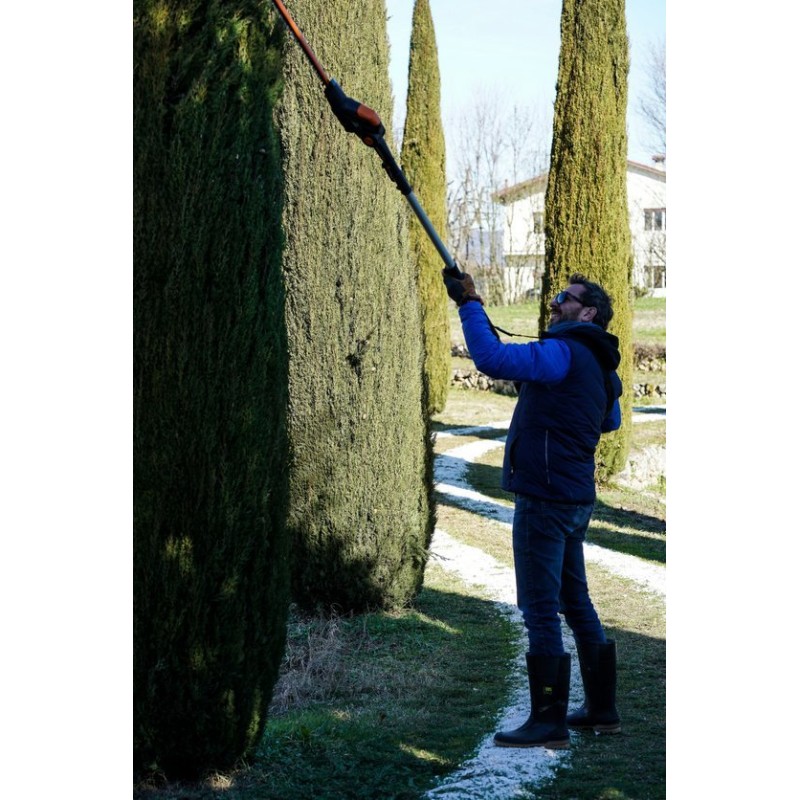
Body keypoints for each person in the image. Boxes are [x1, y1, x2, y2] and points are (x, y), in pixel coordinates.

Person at [442, 268, 623, 749]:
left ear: (588, 313)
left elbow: (491, 359)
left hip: (544, 497)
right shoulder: (604, 367)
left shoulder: (564, 351)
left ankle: (548, 721)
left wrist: (469, 304)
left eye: (567, 297)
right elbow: (609, 420)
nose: (556, 301)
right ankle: (602, 710)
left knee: (540, 608)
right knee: (575, 602)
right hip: (575, 497)